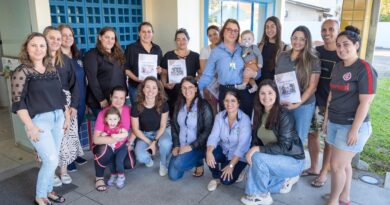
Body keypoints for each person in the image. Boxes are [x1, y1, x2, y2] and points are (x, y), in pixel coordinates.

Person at [12, 32, 69, 205]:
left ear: (46, 48)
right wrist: (30, 126)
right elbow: (18, 103)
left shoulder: (51, 67)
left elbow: (60, 94)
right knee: (50, 159)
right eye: (34, 45)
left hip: (58, 117)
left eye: (42, 45)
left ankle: (49, 191)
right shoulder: (21, 71)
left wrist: (66, 116)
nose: (38, 49)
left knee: (53, 158)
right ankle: (40, 196)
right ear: (27, 49)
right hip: (39, 121)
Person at [324, 26, 377, 205]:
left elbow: (365, 102)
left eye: (346, 44)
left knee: (337, 165)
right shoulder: (338, 67)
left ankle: (332, 201)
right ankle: (344, 196)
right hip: (335, 122)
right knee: (344, 164)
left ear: (357, 45)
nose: (341, 48)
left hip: (353, 125)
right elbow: (332, 95)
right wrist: (326, 120)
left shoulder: (365, 69)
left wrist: (354, 130)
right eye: (338, 45)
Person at [240, 80, 305, 205]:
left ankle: (260, 196)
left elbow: (285, 146)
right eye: (262, 93)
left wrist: (257, 150)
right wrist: (253, 153)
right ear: (258, 96)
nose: (266, 97)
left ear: (276, 94)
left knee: (257, 159)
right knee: (254, 175)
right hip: (274, 159)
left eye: (270, 93)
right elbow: (256, 139)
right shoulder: (259, 112)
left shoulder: (284, 115)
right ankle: (284, 180)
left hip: (292, 160)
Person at [302, 20, 341, 188]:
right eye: (324, 29)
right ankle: (313, 166)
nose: (327, 33)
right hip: (314, 101)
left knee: (329, 141)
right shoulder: (316, 52)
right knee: (312, 135)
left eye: (331, 29)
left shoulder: (342, 54)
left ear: (338, 30)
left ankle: (324, 172)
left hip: (332, 105)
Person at [43, 26, 83, 186]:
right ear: (44, 38)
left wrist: (74, 105)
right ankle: (50, 172)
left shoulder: (66, 60)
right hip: (44, 103)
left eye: (58, 39)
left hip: (66, 104)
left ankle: (63, 171)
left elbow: (75, 85)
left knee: (65, 140)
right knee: (49, 140)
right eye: (51, 38)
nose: (55, 41)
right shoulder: (38, 59)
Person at [199, 19, 256, 117]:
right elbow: (207, 75)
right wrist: (196, 90)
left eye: (235, 30)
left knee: (245, 123)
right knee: (226, 124)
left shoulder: (244, 49)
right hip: (225, 92)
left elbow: (254, 67)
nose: (232, 33)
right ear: (223, 31)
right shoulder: (216, 52)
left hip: (244, 91)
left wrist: (253, 73)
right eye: (229, 29)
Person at [275, 26, 320, 144]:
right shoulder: (282, 55)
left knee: (298, 139)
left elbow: (312, 87)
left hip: (303, 105)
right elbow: (277, 79)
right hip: (283, 102)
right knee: (282, 136)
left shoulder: (312, 59)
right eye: (295, 38)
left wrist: (296, 105)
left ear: (307, 41)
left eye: (302, 39)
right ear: (291, 39)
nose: (297, 42)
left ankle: (297, 162)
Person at [168, 76, 214, 180]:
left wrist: (191, 147)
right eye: (184, 87)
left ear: (196, 89)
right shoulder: (178, 105)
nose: (187, 90)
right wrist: (176, 145)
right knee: (173, 176)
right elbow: (174, 128)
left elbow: (208, 131)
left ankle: (198, 161)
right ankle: (188, 158)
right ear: (181, 90)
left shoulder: (204, 106)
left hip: (197, 146)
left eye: (190, 87)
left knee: (179, 164)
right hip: (181, 145)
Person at [206, 90, 251, 191]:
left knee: (226, 181)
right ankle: (217, 177)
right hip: (224, 151)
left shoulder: (245, 120)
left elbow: (242, 147)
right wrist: (209, 152)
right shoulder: (219, 117)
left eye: (233, 101)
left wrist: (231, 165)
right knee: (208, 153)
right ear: (223, 102)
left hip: (238, 157)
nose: (229, 104)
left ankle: (238, 170)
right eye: (226, 101)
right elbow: (213, 136)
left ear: (238, 103)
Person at [93, 86, 135, 191]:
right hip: (108, 144)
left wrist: (130, 142)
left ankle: (118, 173)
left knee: (129, 164)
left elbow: (135, 130)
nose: (118, 101)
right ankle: (99, 178)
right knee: (103, 151)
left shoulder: (128, 110)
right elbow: (96, 139)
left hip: (122, 146)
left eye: (122, 98)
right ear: (110, 97)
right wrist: (115, 139)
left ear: (125, 99)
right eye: (116, 97)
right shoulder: (103, 113)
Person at [58, 24, 88, 172]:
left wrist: (86, 100)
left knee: (77, 127)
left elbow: (83, 80)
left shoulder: (78, 56)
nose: (67, 38)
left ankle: (75, 154)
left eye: (70, 35)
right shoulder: (56, 59)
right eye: (64, 35)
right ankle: (67, 159)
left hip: (81, 99)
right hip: (67, 101)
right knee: (67, 130)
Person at [131, 76, 172, 176]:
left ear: (158, 90)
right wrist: (150, 142)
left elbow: (163, 126)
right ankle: (149, 159)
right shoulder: (136, 106)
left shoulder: (163, 104)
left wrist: (155, 142)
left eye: (154, 87)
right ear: (143, 89)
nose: (151, 90)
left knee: (165, 143)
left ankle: (163, 163)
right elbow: (136, 129)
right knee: (140, 156)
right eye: (148, 87)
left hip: (161, 132)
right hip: (145, 134)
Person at [84, 27, 127, 117]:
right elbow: (92, 79)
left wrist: (125, 93)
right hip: (101, 101)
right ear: (100, 37)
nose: (110, 41)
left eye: (112, 38)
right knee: (104, 128)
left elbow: (122, 76)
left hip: (117, 100)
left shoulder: (118, 54)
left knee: (116, 128)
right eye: (107, 37)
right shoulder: (92, 55)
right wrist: (101, 99)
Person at [161, 28, 200, 118]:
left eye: (184, 39)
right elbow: (164, 73)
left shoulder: (195, 56)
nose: (181, 41)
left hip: (189, 92)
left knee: (190, 116)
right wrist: (164, 84)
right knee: (174, 116)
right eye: (178, 39)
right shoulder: (169, 55)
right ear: (175, 41)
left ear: (188, 40)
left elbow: (200, 73)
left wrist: (191, 81)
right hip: (173, 92)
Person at [124, 22, 163, 106]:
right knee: (137, 111)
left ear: (152, 33)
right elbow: (125, 69)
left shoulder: (157, 49)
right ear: (139, 33)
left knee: (152, 110)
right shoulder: (131, 48)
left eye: (149, 32)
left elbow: (161, 67)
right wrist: (137, 79)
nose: (146, 34)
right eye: (143, 32)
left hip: (153, 88)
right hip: (136, 87)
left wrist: (160, 70)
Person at [257, 16, 289, 83]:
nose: (269, 29)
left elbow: (288, 71)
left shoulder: (285, 48)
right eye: (267, 27)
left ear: (278, 28)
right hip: (259, 85)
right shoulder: (260, 46)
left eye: (272, 26)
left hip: (275, 87)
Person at [199, 25, 220, 115]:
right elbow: (204, 71)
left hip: (224, 81)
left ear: (220, 33)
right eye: (210, 35)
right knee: (212, 105)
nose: (213, 37)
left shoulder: (226, 48)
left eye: (215, 34)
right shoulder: (205, 50)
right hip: (210, 82)